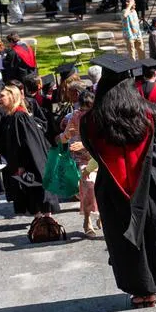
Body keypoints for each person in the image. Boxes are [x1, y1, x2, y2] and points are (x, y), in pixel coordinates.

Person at [82, 55, 156, 308]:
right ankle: (154, 284)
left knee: (124, 239)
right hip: (150, 184)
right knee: (153, 232)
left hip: (113, 189)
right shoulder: (149, 113)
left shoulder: (90, 121)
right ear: (131, 85)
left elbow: (93, 151)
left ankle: (140, 290)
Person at [0, 85, 60, 219]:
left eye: (2, 96)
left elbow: (29, 144)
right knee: (31, 194)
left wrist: (22, 165)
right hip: (22, 163)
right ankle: (40, 221)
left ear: (12, 97)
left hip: (31, 163)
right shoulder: (10, 116)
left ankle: (46, 222)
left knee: (38, 192)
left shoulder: (20, 117)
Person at [58, 88, 100, 237]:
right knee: (89, 186)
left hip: (98, 157)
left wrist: (84, 144)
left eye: (87, 109)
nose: (83, 112)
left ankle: (102, 215)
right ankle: (87, 220)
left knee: (103, 188)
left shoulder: (98, 117)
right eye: (82, 109)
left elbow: (102, 140)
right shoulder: (76, 116)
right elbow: (64, 138)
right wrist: (67, 135)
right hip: (81, 159)